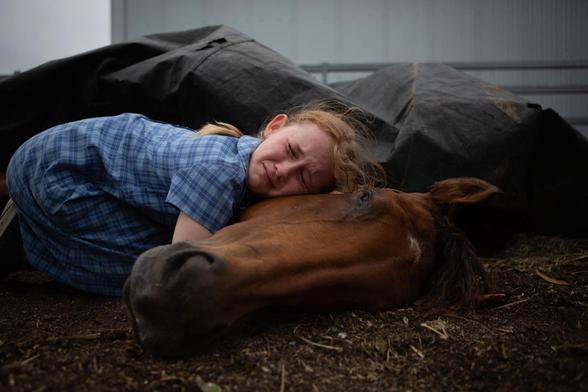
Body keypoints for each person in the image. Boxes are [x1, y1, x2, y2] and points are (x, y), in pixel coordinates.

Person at [1, 102, 384, 296]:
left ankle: (26, 228)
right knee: (145, 268)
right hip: (57, 169)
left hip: (61, 153)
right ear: (274, 128)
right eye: (290, 151)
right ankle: (23, 238)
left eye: (303, 177)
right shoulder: (219, 172)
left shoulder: (238, 152)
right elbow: (177, 268)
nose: (282, 170)